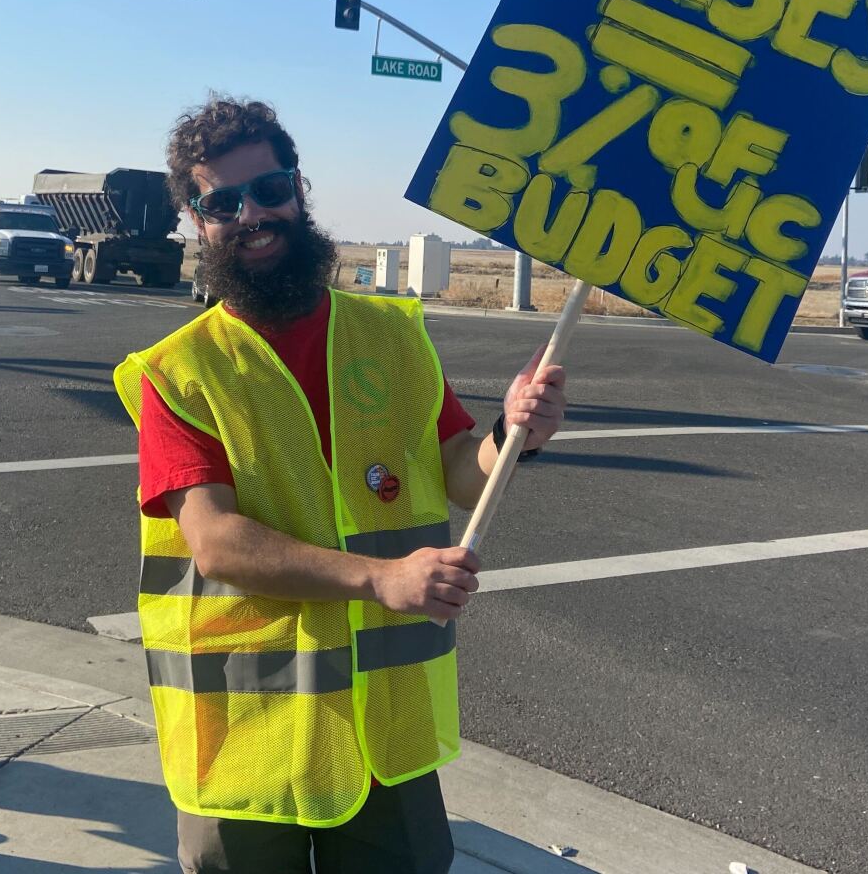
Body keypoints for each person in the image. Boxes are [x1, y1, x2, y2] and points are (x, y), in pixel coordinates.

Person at [115, 96, 566, 874]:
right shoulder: (178, 373)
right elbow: (215, 542)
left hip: (382, 738)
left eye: (269, 189)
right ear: (195, 221)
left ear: (300, 187)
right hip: (245, 749)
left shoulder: (392, 335)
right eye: (222, 202)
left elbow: (461, 470)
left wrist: (512, 434)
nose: (252, 214)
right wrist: (382, 578)